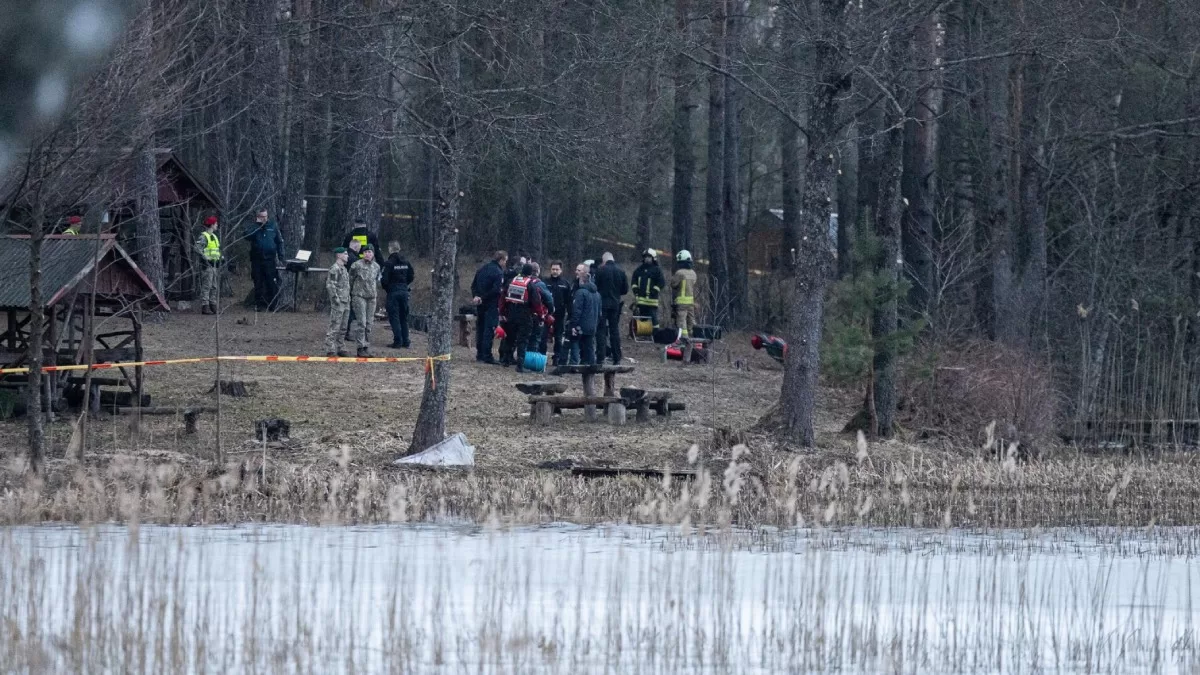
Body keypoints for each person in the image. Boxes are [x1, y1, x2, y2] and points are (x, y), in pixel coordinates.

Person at [503, 263, 545, 373]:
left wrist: (502, 312)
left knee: (510, 338)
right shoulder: (530, 284)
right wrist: (541, 316)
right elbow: (537, 302)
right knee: (523, 340)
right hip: (525, 315)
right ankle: (520, 365)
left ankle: (506, 360)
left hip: (511, 313)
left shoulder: (512, 281)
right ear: (531, 273)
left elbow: (503, 297)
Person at [245, 208, 286, 311]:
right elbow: (247, 236)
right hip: (256, 260)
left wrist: (281, 256)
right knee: (258, 282)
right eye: (261, 217)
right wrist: (258, 227)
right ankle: (259, 305)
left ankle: (273, 305)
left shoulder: (272, 226)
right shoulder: (254, 227)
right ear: (258, 217)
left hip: (269, 260)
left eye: (265, 217)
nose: (264, 219)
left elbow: (279, 241)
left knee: (271, 282)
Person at [471, 250, 507, 363]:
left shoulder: (482, 269)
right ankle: (487, 355)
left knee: (480, 328)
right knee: (489, 329)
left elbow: (474, 285)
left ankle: (479, 354)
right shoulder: (498, 272)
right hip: (491, 304)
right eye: (505, 261)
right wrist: (483, 297)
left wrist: (477, 296)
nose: (505, 263)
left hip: (480, 304)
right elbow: (496, 290)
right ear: (501, 260)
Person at [594, 251, 629, 365]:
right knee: (614, 331)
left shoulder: (600, 270)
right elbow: (625, 290)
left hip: (602, 304)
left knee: (601, 331)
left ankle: (601, 357)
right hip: (615, 304)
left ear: (604, 260)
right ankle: (617, 357)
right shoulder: (621, 271)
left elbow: (596, 287)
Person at [348, 245, 381, 357]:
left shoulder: (376, 266)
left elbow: (377, 280)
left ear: (373, 254)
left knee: (369, 323)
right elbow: (350, 279)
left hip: (371, 297)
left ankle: (366, 345)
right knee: (361, 322)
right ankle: (360, 347)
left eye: (370, 252)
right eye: (365, 252)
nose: (367, 254)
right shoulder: (356, 265)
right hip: (359, 296)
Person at [381, 241, 414, 349]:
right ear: (399, 249)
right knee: (403, 317)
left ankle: (397, 341)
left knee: (394, 317)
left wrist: (389, 288)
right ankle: (406, 341)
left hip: (393, 292)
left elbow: (384, 280)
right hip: (404, 291)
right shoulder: (406, 262)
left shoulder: (389, 263)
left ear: (390, 249)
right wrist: (404, 285)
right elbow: (411, 276)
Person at [569, 266, 601, 366]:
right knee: (589, 346)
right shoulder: (597, 294)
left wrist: (573, 324)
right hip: (593, 325)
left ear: (582, 281)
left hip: (581, 325)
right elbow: (599, 312)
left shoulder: (580, 293)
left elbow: (577, 311)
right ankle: (591, 365)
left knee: (575, 343)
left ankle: (574, 364)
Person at [543, 261, 572, 365]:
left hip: (559, 315)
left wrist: (570, 314)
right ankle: (542, 357)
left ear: (561, 270)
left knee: (558, 338)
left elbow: (569, 301)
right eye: (553, 269)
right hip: (546, 314)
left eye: (557, 269)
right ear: (550, 270)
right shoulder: (545, 282)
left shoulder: (565, 284)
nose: (554, 271)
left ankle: (557, 358)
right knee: (543, 336)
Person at [324, 247, 352, 357]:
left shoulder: (344, 269)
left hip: (346, 301)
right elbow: (330, 285)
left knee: (344, 326)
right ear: (339, 255)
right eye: (345, 254)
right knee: (335, 324)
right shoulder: (334, 268)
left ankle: (341, 346)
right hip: (339, 301)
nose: (347, 256)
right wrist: (336, 300)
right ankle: (330, 347)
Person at [193, 215, 222, 315]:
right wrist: (206, 258)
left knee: (214, 286)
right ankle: (205, 307)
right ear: (212, 225)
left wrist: (220, 258)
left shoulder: (214, 236)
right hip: (207, 266)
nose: (217, 225)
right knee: (207, 286)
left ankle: (213, 306)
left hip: (215, 265)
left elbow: (216, 250)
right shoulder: (203, 236)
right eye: (216, 223)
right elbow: (197, 249)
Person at [631, 248, 666, 326]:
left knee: (653, 320)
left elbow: (661, 282)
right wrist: (636, 290)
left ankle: (655, 335)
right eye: (645, 257)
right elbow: (634, 282)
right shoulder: (639, 270)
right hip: (640, 301)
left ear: (653, 258)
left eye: (649, 257)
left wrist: (654, 291)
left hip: (652, 301)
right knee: (643, 320)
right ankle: (644, 335)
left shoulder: (657, 270)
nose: (647, 258)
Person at [671, 249, 698, 338]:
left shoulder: (679, 273)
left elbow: (673, 284)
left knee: (681, 322)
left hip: (681, 303)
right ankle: (695, 338)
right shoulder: (693, 273)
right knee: (691, 321)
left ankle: (684, 339)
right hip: (690, 302)